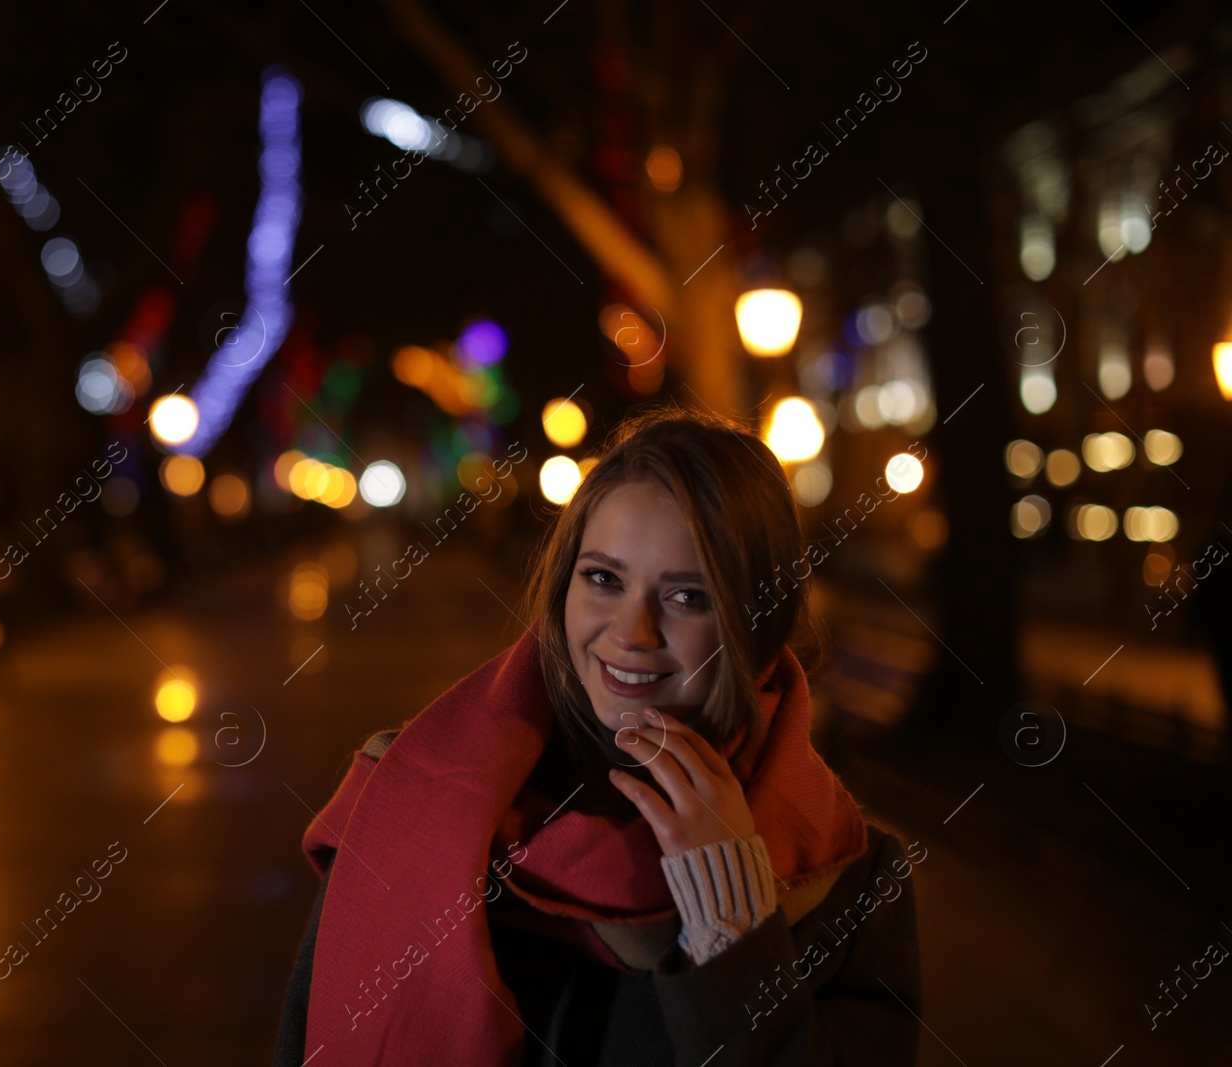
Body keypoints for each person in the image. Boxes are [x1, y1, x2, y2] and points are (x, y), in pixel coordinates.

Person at [272, 402, 923, 1066]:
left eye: (687, 596)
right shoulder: (411, 798)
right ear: (562, 587)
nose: (630, 633)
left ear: (757, 624)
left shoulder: (848, 876)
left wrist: (733, 928)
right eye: (604, 578)